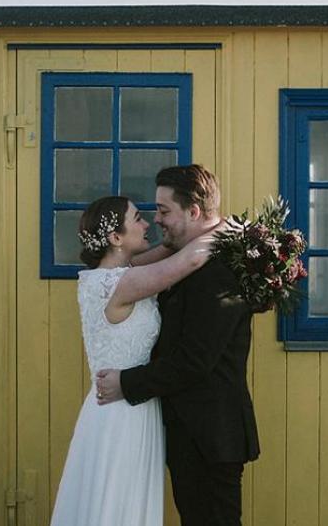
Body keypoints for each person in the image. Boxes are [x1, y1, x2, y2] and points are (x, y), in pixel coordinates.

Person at [95, 164, 260, 526]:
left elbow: (194, 359)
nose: (157, 220)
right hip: (193, 432)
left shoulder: (218, 271)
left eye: (164, 210)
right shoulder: (185, 259)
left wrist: (126, 383)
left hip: (211, 435)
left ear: (194, 211)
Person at [49, 194, 216, 526]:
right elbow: (190, 260)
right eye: (138, 218)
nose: (147, 223)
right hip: (122, 412)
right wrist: (227, 228)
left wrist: (187, 229)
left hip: (131, 403)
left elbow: (169, 250)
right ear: (115, 238)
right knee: (117, 502)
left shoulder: (117, 274)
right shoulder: (119, 284)